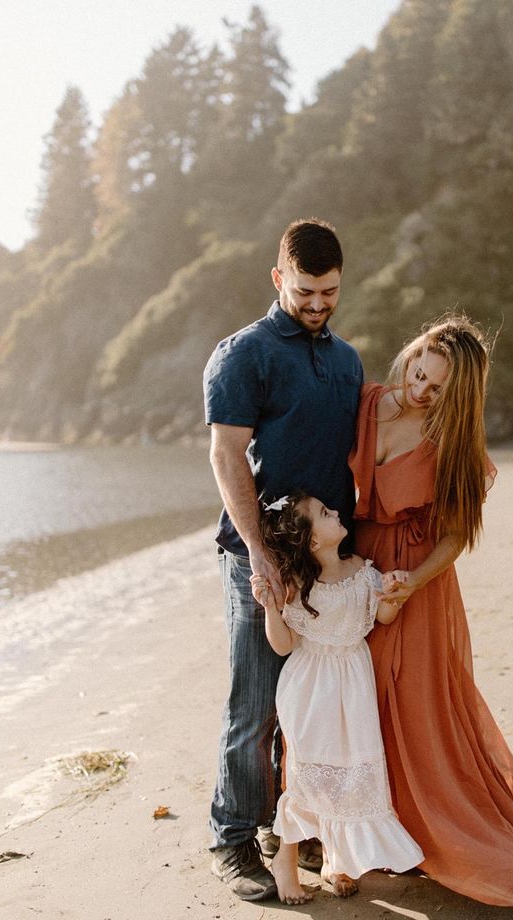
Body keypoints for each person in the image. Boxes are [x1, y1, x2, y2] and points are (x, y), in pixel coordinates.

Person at [348, 314, 513, 907]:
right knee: (352, 697)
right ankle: (364, 831)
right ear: (410, 355)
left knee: (414, 707)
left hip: (415, 582)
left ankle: (432, 832)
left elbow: (456, 537)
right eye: (417, 373)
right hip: (352, 573)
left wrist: (409, 584)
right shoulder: (364, 402)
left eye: (436, 389)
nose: (420, 391)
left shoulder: (451, 443)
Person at [203, 219, 363, 901]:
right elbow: (225, 455)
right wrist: (262, 559)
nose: (318, 303)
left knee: (309, 706)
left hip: (327, 563)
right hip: (257, 558)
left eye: (329, 291)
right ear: (278, 279)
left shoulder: (349, 360)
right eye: (305, 290)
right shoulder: (244, 354)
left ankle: (285, 826)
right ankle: (233, 839)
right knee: (256, 706)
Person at [252, 491, 423, 905]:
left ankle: (337, 858)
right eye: (325, 514)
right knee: (307, 775)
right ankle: (285, 861)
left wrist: (391, 593)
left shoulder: (362, 571)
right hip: (309, 689)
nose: (337, 513)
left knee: (348, 774)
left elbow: (382, 617)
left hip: (353, 687)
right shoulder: (298, 584)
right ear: (312, 541)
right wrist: (269, 606)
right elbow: (283, 645)